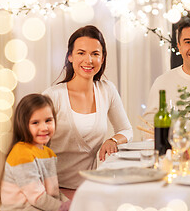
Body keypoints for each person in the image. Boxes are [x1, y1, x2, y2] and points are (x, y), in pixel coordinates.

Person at [43, 25, 133, 197]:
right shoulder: (52, 96)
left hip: (90, 189)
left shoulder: (107, 90)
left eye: (95, 54)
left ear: (103, 58)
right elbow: (33, 145)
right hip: (53, 191)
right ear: (70, 56)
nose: (88, 60)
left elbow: (127, 130)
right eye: (81, 53)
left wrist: (113, 140)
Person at [0, 94, 71, 211]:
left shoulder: (48, 154)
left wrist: (70, 204)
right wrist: (65, 208)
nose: (44, 128)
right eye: (35, 122)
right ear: (23, 125)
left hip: (42, 210)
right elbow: (37, 198)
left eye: (48, 120)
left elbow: (53, 192)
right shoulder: (21, 153)